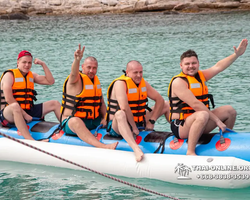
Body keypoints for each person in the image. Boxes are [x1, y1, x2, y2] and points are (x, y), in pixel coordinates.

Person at [168, 39, 248, 156]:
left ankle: (225, 142)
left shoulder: (201, 76)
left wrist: (236, 55)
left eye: (194, 63)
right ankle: (190, 151)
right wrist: (217, 121)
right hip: (181, 126)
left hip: (201, 122)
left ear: (198, 64)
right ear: (181, 66)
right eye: (187, 64)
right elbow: (195, 104)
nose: (191, 66)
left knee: (229, 111)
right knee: (203, 114)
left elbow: (218, 67)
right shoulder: (179, 82)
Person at [106, 60, 170, 162]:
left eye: (141, 72)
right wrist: (134, 128)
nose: (139, 75)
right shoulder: (120, 83)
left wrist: (152, 121)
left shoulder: (143, 83)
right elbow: (124, 107)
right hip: (117, 126)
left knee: (166, 104)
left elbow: (160, 100)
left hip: (139, 122)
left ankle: (179, 135)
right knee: (120, 113)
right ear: (127, 72)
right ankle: (136, 149)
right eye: (135, 72)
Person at [60, 44, 118, 150]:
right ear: (82, 67)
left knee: (116, 115)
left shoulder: (96, 82)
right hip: (72, 122)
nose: (91, 70)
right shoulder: (75, 80)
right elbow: (73, 73)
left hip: (93, 121)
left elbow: (101, 103)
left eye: (94, 68)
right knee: (75, 121)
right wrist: (77, 59)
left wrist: (105, 118)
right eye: (89, 67)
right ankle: (102, 146)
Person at [0, 50, 61, 142]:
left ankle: (68, 128)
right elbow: (9, 99)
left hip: (28, 110)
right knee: (15, 106)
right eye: (24, 62)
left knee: (55, 103)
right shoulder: (9, 75)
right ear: (18, 62)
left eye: (29, 63)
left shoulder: (31, 76)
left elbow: (50, 81)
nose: (27, 65)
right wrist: (24, 114)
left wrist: (43, 64)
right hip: (9, 114)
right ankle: (31, 140)